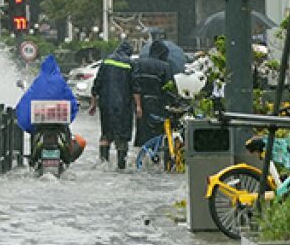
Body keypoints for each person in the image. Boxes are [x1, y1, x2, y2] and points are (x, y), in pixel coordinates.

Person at [15, 55, 85, 163]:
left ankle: (33, 159)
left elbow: (27, 99)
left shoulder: (39, 82)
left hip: (41, 124)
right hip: (58, 125)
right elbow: (70, 99)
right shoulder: (60, 82)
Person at [88, 40, 135, 169]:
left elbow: (97, 84)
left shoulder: (106, 61)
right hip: (124, 106)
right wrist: (139, 107)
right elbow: (135, 87)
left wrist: (93, 104)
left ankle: (103, 162)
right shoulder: (130, 63)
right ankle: (121, 165)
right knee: (122, 136)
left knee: (106, 133)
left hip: (106, 104)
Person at [131, 39, 177, 149]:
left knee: (142, 132)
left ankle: (142, 157)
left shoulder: (139, 63)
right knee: (158, 133)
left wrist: (137, 105)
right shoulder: (165, 66)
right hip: (158, 104)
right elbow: (169, 88)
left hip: (141, 104)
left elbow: (134, 84)